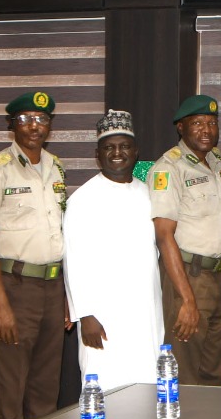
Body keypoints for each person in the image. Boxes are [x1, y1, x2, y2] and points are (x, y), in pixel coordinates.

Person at [0, 90, 67, 419]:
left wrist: (66, 296)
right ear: (11, 124)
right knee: (9, 388)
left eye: (42, 119)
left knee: (45, 386)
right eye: (26, 119)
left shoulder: (56, 168)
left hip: (52, 287)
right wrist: (0, 304)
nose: (34, 126)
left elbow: (59, 233)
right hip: (14, 288)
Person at [62, 110, 164, 391]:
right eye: (109, 147)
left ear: (136, 151)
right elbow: (73, 260)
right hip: (103, 315)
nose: (117, 153)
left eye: (124, 146)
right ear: (98, 155)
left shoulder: (149, 194)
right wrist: (85, 314)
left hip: (145, 311)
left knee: (146, 382)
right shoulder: (83, 199)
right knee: (105, 385)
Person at [148, 94, 221, 387]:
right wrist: (186, 299)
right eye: (198, 123)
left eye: (212, 123)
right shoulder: (169, 168)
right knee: (185, 370)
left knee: (212, 371)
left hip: (219, 277)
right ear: (181, 127)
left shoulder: (217, 163)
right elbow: (164, 236)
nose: (206, 130)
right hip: (189, 276)